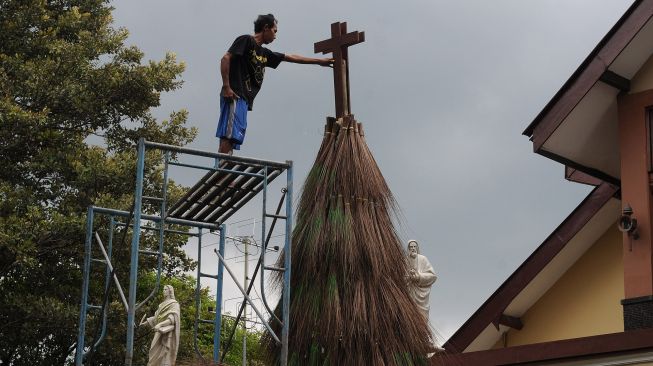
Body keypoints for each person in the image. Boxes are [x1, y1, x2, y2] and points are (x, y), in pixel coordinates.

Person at [217, 14, 333, 154]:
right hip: (235, 94)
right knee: (228, 136)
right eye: (275, 31)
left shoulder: (264, 53)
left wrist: (319, 62)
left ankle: (225, 169)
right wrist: (226, 87)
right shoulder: (246, 40)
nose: (275, 35)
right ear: (266, 28)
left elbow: (290, 57)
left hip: (244, 100)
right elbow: (225, 58)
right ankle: (221, 173)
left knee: (234, 137)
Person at [139, 285, 181, 366]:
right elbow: (156, 318)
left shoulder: (174, 304)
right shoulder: (161, 304)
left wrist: (160, 324)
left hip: (167, 333)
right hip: (159, 331)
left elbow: (171, 319)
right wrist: (145, 323)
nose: (163, 291)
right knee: (153, 351)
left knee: (164, 354)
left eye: (165, 289)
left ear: (170, 291)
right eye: (163, 289)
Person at [406, 240, 437, 321]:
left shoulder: (423, 259)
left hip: (421, 295)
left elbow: (432, 276)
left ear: (417, 248)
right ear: (408, 249)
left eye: (414, 246)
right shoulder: (405, 260)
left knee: (421, 319)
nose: (413, 249)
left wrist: (418, 277)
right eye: (411, 247)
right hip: (409, 292)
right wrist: (409, 277)